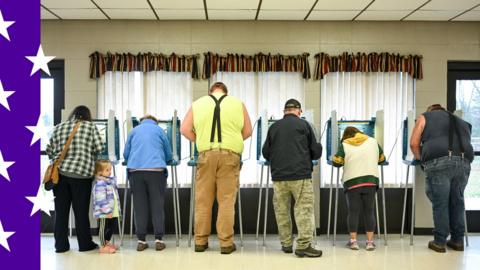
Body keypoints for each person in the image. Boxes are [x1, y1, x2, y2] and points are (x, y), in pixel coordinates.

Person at [180, 82, 252, 254]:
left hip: (205, 156)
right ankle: (226, 244)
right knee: (226, 201)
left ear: (211, 92)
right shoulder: (238, 103)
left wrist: (200, 140)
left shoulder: (198, 104)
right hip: (230, 156)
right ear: (226, 93)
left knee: (203, 201)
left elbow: (184, 129)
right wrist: (232, 141)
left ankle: (200, 241)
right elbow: (248, 131)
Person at [262, 99, 323, 258]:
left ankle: (286, 244)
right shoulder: (305, 126)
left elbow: (265, 153)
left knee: (282, 211)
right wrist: (318, 147)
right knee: (303, 210)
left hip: (279, 177)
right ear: (299, 111)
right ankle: (303, 246)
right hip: (300, 175)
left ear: (284, 111)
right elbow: (315, 153)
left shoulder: (273, 127)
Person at [410, 104, 473, 253]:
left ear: (430, 111)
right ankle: (458, 241)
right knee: (457, 202)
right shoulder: (462, 122)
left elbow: (413, 143)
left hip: (438, 162)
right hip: (464, 163)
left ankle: (439, 242)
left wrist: (422, 160)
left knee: (440, 202)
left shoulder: (425, 117)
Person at [46, 105, 103, 253]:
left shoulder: (59, 127)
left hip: (61, 176)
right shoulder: (90, 127)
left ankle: (61, 246)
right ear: (87, 115)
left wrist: (60, 161)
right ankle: (84, 244)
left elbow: (49, 149)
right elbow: (99, 147)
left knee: (61, 212)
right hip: (81, 176)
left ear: (73, 114)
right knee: (81, 212)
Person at [123, 115, 172, 252]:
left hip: (136, 171)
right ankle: (158, 239)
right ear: (155, 122)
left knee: (139, 206)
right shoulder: (160, 131)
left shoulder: (134, 131)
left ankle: (141, 240)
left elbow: (126, 153)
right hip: (156, 171)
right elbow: (169, 154)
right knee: (157, 204)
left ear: (141, 121)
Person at [333, 126, 385, 251]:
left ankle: (353, 241)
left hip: (352, 182)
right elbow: (382, 159)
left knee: (353, 211)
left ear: (346, 135)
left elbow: (336, 162)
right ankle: (370, 242)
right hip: (370, 181)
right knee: (369, 211)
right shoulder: (373, 141)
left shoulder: (345, 144)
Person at [92, 160, 120, 254]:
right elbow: (101, 200)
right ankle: (103, 246)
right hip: (104, 212)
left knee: (112, 227)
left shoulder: (109, 182)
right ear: (100, 172)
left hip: (113, 211)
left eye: (110, 169)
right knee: (103, 228)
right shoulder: (100, 183)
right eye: (107, 170)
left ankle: (107, 242)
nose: (110, 172)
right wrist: (107, 211)